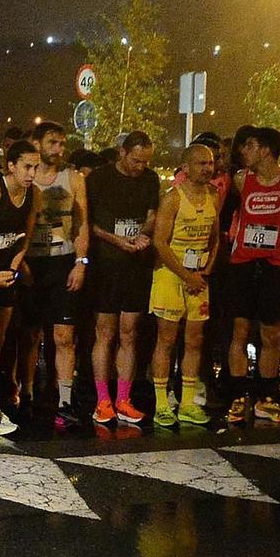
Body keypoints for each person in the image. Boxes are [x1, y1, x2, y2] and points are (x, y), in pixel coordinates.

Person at [222, 127, 280, 425]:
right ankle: (237, 397)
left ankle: (266, 398)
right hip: (242, 266)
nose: (243, 151)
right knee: (239, 331)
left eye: (249, 145)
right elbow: (227, 215)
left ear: (265, 150)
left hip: (275, 268)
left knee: (270, 334)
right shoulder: (241, 179)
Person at [85, 131, 161, 425]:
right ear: (123, 153)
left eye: (145, 162)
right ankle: (102, 399)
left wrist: (144, 234)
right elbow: (89, 223)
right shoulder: (99, 179)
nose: (140, 166)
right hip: (106, 264)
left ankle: (124, 399)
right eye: (136, 160)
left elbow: (153, 214)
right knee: (105, 332)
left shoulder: (151, 179)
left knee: (130, 332)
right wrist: (117, 241)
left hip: (137, 264)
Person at [21, 122, 90, 429]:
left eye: (62, 144)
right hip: (31, 262)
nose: (59, 149)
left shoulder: (73, 178)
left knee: (64, 335)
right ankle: (27, 392)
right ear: (36, 143)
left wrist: (81, 261)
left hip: (62, 261)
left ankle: (64, 400)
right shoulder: (26, 177)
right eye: (53, 143)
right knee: (31, 333)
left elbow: (81, 223)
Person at [147, 144, 219, 427]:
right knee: (166, 340)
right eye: (201, 163)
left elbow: (215, 236)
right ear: (186, 167)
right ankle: (162, 403)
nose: (208, 169)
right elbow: (160, 242)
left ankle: (188, 402)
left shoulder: (214, 194)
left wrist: (206, 269)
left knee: (194, 340)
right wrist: (186, 275)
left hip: (198, 276)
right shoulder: (172, 199)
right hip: (170, 274)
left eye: (210, 163)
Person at [0, 141, 39, 436]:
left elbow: (27, 232)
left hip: (8, 272)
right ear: (11, 165)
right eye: (27, 166)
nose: (32, 173)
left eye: (35, 167)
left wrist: (16, 262)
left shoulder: (33, 194)